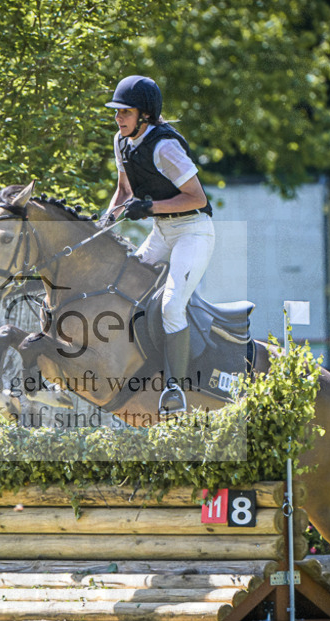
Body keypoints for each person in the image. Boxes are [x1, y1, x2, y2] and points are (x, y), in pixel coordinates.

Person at [104, 75, 215, 413]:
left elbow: (197, 198)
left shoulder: (166, 147)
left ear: (146, 116)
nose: (119, 118)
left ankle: (175, 391)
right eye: (117, 112)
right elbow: (124, 191)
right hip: (163, 232)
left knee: (170, 306)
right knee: (124, 287)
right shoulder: (121, 142)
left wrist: (149, 207)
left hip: (193, 231)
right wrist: (104, 221)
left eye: (126, 112)